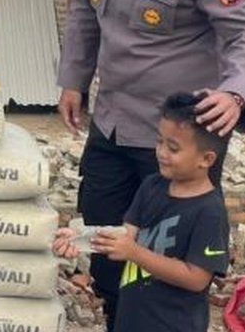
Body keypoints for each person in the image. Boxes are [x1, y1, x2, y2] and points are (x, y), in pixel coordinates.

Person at [56, 0, 245, 331]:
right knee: (108, 244)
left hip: (176, 140)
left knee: (168, 258)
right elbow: (84, 7)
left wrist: (235, 95)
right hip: (112, 123)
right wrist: (73, 78)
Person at [53, 93, 230, 332]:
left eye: (173, 148)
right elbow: (125, 235)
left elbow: (196, 278)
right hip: (131, 320)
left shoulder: (210, 211)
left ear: (206, 159)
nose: (161, 153)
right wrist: (79, 237)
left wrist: (135, 253)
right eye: (159, 142)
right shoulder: (152, 186)